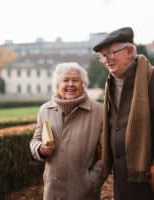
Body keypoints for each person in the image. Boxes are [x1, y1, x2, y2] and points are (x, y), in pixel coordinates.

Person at [93, 27, 154, 200]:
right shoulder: (110, 83)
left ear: (130, 51)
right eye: (103, 56)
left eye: (111, 53)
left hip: (152, 181)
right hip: (122, 183)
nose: (106, 60)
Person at [30, 62, 106, 200]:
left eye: (75, 80)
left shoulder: (99, 111)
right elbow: (35, 140)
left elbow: (106, 153)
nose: (70, 84)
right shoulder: (45, 110)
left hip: (84, 192)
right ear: (57, 85)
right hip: (53, 191)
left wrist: (92, 182)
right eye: (65, 80)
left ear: (83, 84)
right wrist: (41, 149)